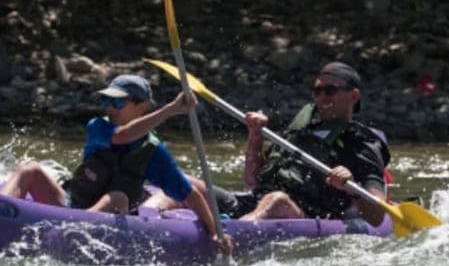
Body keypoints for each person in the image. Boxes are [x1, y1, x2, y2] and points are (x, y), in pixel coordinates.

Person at [1, 74, 234, 254]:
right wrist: (171, 110)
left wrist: (215, 232)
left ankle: (69, 232)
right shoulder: (98, 126)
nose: (109, 107)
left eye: (118, 102)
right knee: (29, 168)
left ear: (141, 107)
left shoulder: (154, 153)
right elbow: (122, 136)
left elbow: (189, 193)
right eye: (107, 100)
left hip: (112, 220)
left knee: (117, 197)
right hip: (72, 204)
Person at [144, 62, 390, 226]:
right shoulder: (301, 131)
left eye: (330, 90)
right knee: (182, 181)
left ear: (353, 95)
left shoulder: (362, 144)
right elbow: (252, 180)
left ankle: (234, 236)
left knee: (277, 200)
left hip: (303, 214)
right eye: (317, 91)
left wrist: (351, 188)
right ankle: (141, 223)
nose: (321, 97)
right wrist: (255, 137)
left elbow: (377, 215)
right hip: (256, 202)